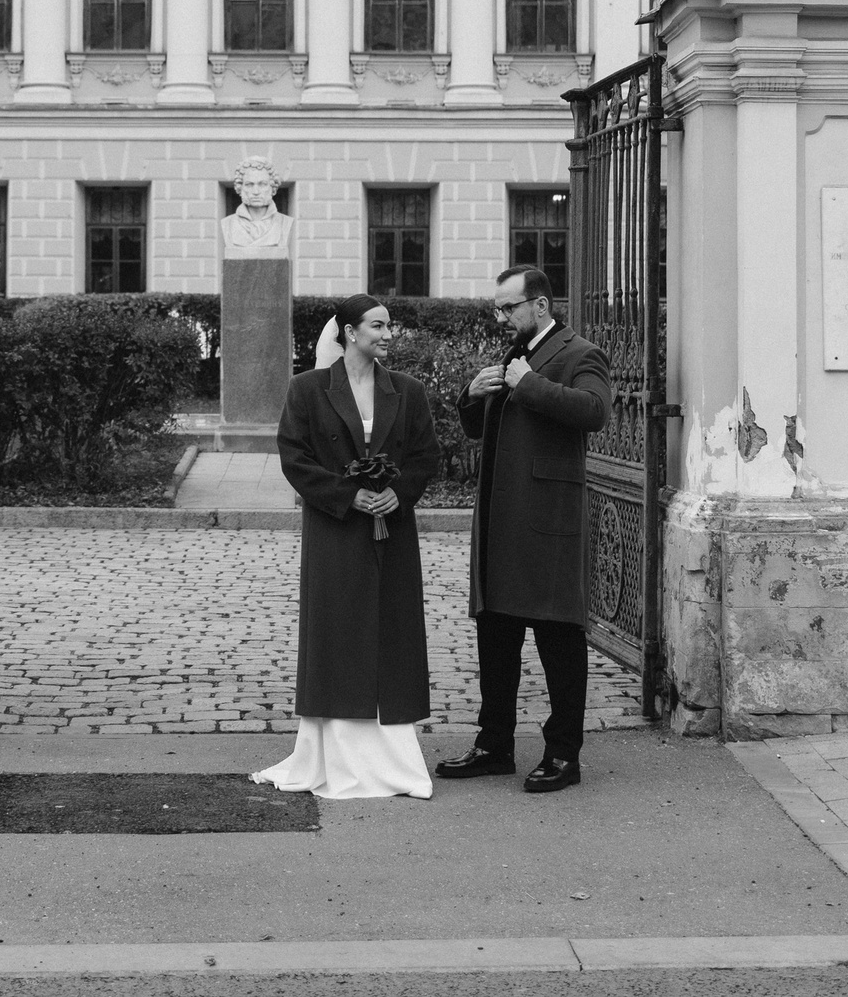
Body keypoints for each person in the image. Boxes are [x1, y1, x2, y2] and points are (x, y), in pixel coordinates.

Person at [251, 293, 439, 800]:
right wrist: (347, 495)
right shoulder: (308, 389)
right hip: (334, 529)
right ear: (350, 332)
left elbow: (425, 456)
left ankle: (394, 762)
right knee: (337, 632)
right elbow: (294, 456)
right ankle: (334, 754)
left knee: (392, 630)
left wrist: (398, 494)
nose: (387, 334)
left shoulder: (408, 390)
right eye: (377, 326)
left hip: (392, 530)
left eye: (389, 325)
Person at [436, 264, 612, 794]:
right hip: (499, 519)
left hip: (547, 519)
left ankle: (563, 754)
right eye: (497, 309)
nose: (501, 317)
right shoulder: (514, 354)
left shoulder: (580, 353)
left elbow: (595, 411)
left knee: (558, 640)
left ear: (540, 305)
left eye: (508, 307)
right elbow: (482, 428)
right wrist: (472, 394)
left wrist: (528, 384)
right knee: (496, 636)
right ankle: (494, 745)